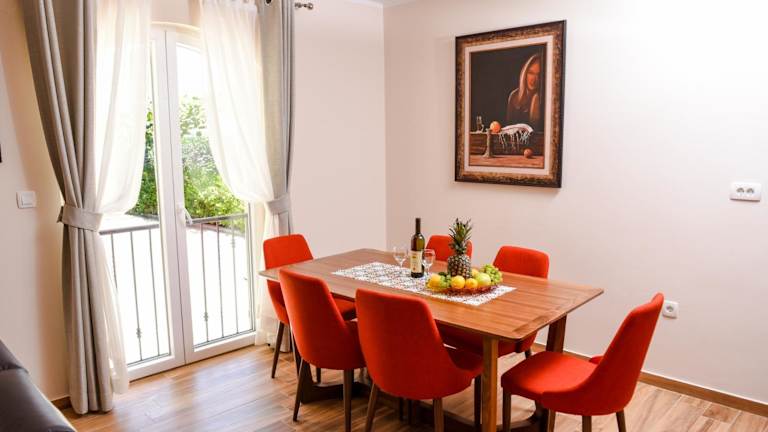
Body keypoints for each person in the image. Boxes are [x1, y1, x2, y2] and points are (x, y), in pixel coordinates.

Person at [505, 52, 543, 131]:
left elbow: (536, 131)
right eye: (531, 73)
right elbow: (508, 128)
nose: (534, 79)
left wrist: (535, 100)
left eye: (539, 75)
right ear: (525, 73)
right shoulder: (514, 95)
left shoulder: (543, 97)